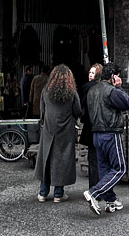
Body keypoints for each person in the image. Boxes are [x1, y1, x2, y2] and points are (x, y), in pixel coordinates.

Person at [83, 62, 129, 215]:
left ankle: (111, 200)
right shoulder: (111, 90)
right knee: (120, 168)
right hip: (110, 133)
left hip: (96, 134)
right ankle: (94, 193)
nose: (119, 78)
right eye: (117, 75)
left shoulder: (92, 90)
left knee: (104, 169)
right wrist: (118, 87)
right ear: (112, 76)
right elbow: (127, 103)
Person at [34, 64, 82, 203]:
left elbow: (42, 109)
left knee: (46, 159)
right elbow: (77, 111)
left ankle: (43, 193)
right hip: (65, 131)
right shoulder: (72, 93)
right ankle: (58, 194)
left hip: (49, 130)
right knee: (62, 160)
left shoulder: (45, 91)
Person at [79, 63, 103, 189]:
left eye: (93, 73)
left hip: (90, 127)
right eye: (89, 73)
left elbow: (82, 108)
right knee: (101, 159)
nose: (90, 75)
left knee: (93, 159)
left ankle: (93, 188)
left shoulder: (87, 88)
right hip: (102, 127)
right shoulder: (105, 87)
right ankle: (101, 187)